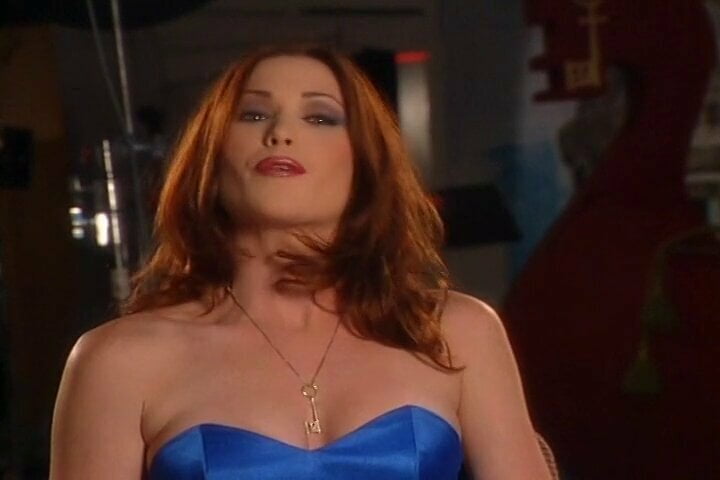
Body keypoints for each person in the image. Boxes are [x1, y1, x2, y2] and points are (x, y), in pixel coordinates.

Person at [49, 44, 553, 480]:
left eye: (320, 117)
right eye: (253, 115)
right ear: (211, 158)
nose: (280, 132)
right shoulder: (119, 360)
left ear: (365, 163)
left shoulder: (456, 331)